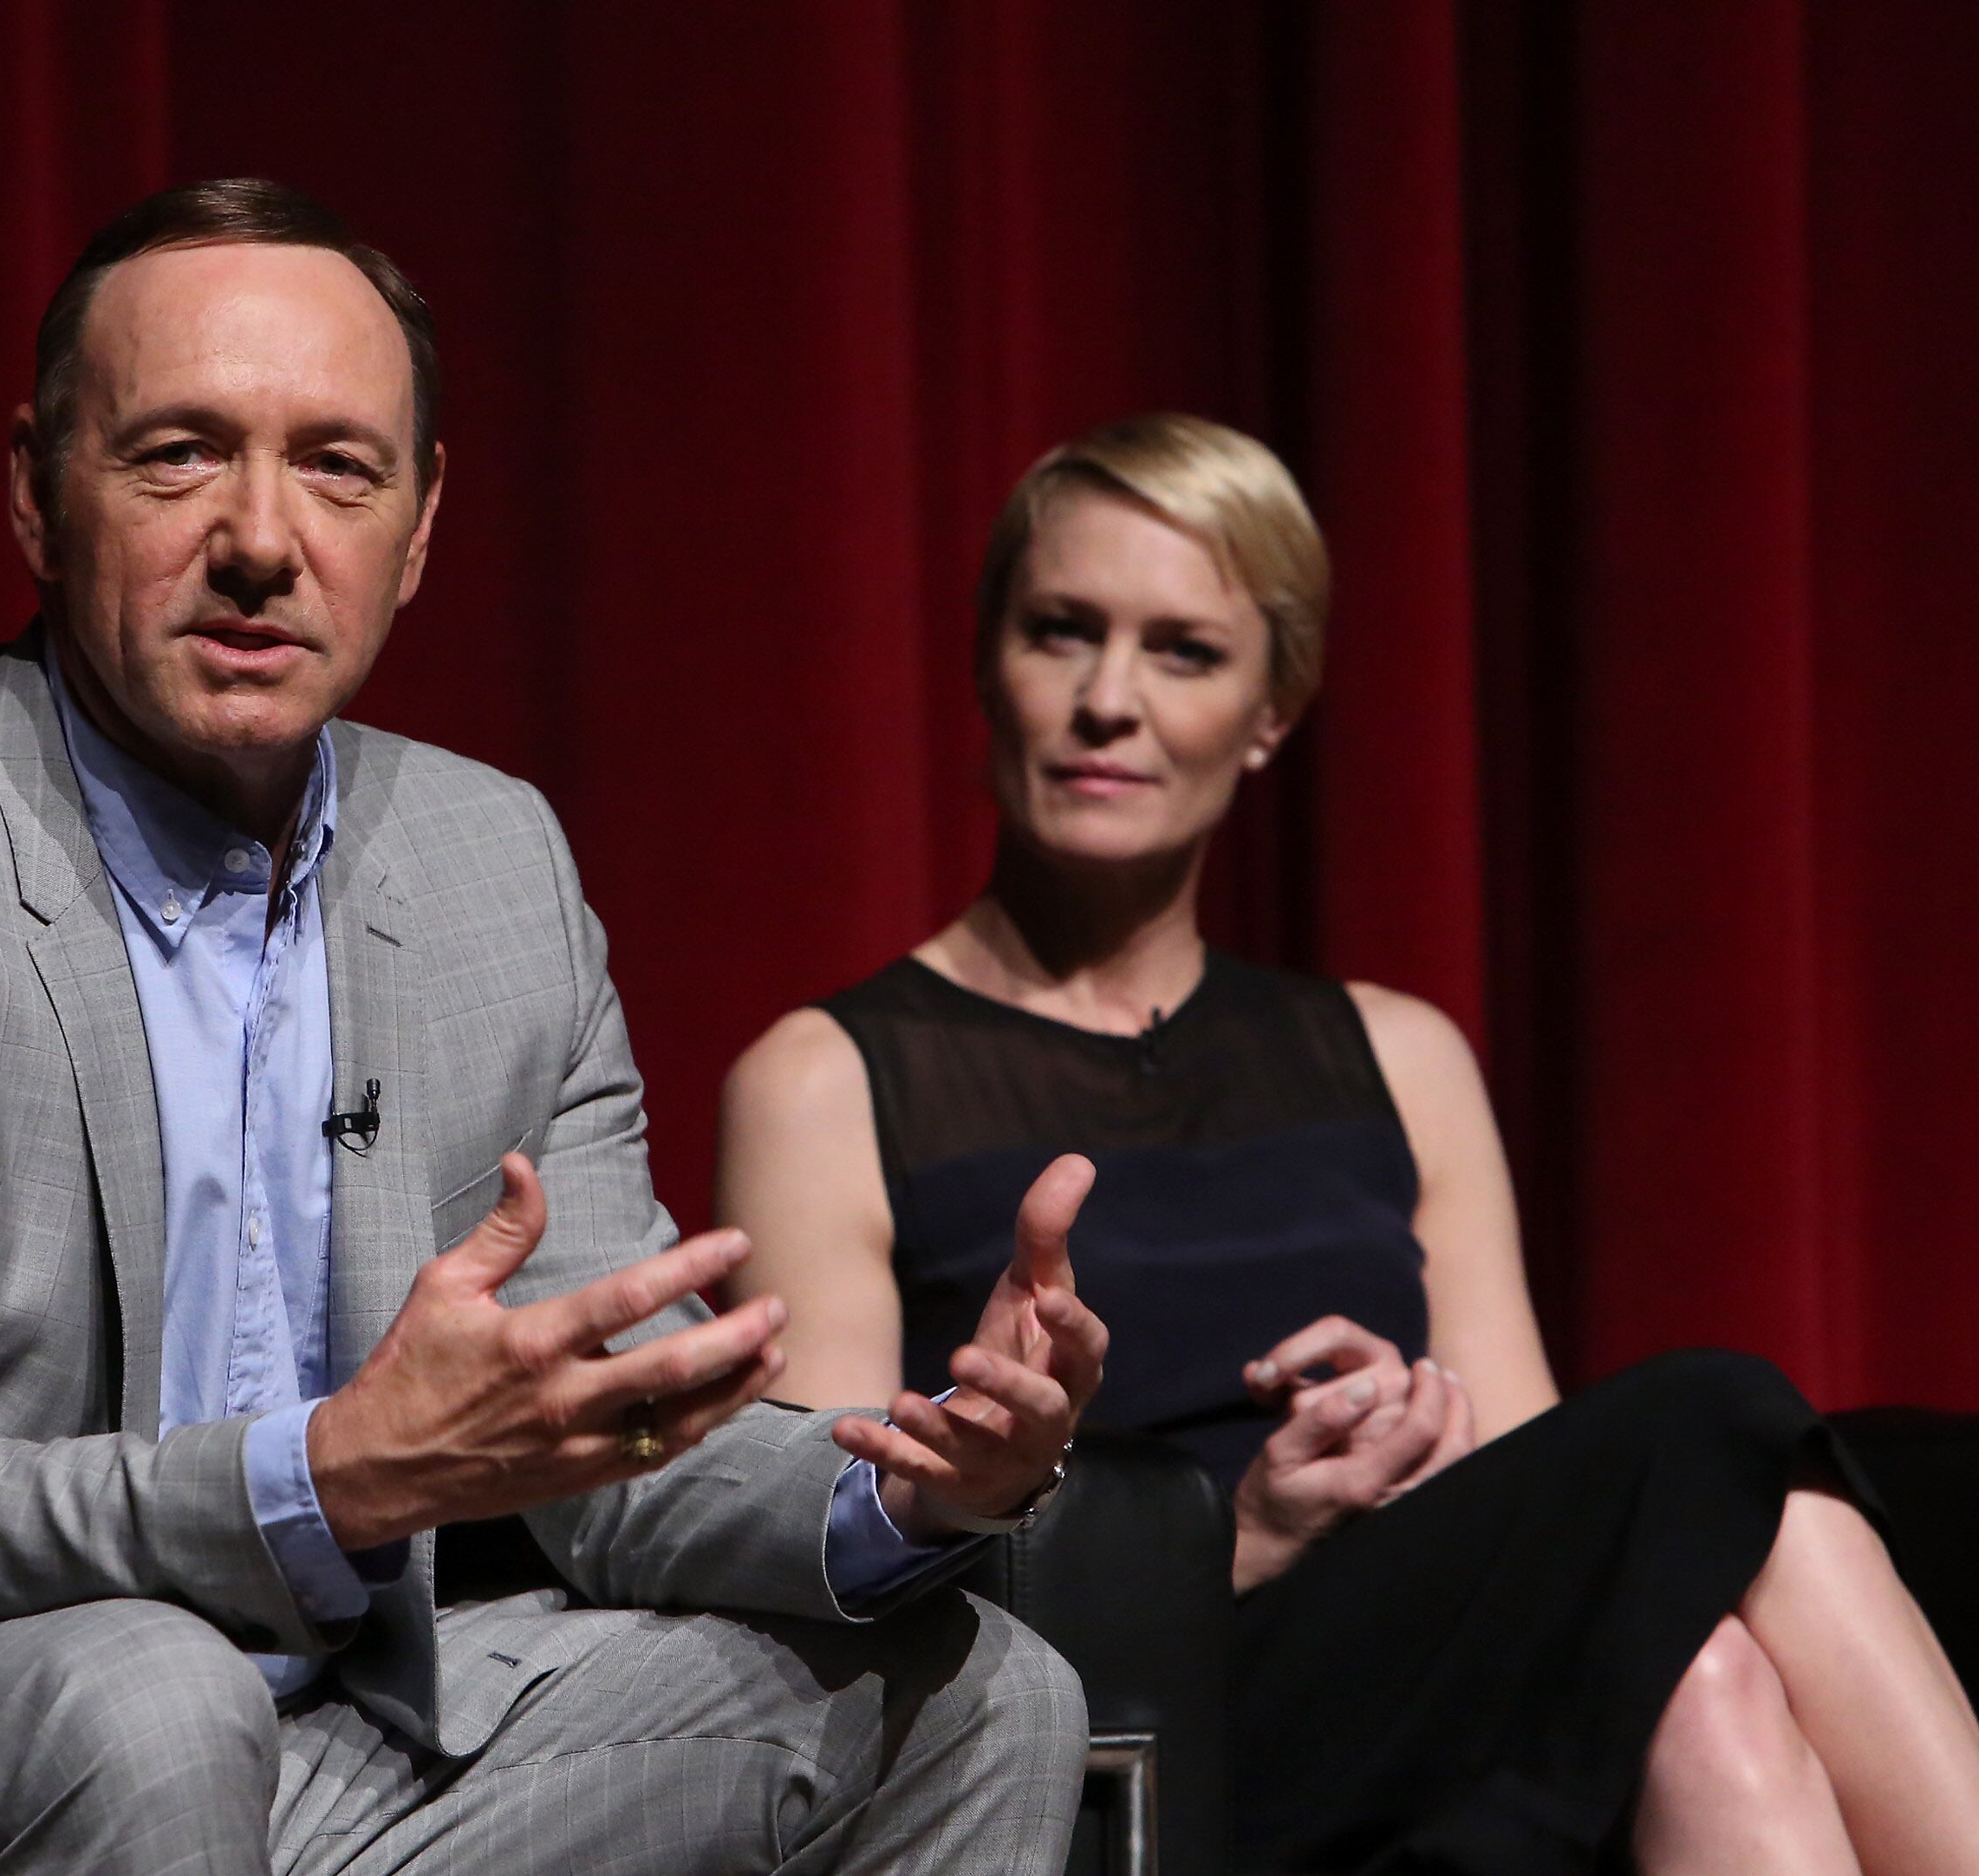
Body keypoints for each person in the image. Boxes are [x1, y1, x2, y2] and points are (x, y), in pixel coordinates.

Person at [0, 179, 1105, 1876]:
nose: (262, 539)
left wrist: (915, 1485)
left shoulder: (485, 858)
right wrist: (332, 1475)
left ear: (420, 527)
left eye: (336, 466)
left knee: (979, 1690)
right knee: (150, 1693)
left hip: (358, 1736)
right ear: (33, 494)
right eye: (179, 454)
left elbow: (598, 1457)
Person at [711, 413, 1979, 1876]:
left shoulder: (1400, 1053)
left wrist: (1418, 1444)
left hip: (1424, 1685)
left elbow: (1543, 1485)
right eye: (1063, 632)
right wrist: (1234, 1541)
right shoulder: (825, 1078)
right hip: (1137, 1727)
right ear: (991, 664)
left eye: (1183, 651)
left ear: (1270, 712)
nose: (1108, 699)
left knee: (1715, 1687)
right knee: (1718, 1421)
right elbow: (825, 1579)